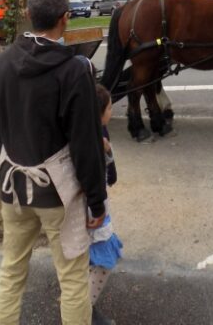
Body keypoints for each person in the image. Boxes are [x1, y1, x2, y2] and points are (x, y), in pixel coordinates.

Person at [0, 0, 107, 325]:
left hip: (13, 190)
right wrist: (96, 200)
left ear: (27, 14)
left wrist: (1, 174)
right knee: (71, 278)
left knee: (11, 271)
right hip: (59, 196)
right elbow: (86, 143)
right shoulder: (73, 71)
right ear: (65, 18)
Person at [90, 84, 122, 325]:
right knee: (102, 261)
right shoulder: (97, 138)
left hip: (93, 206)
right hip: (94, 210)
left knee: (91, 258)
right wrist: (108, 153)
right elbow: (109, 176)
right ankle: (84, 308)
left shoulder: (91, 132)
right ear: (100, 112)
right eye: (110, 107)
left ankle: (82, 304)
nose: (112, 110)